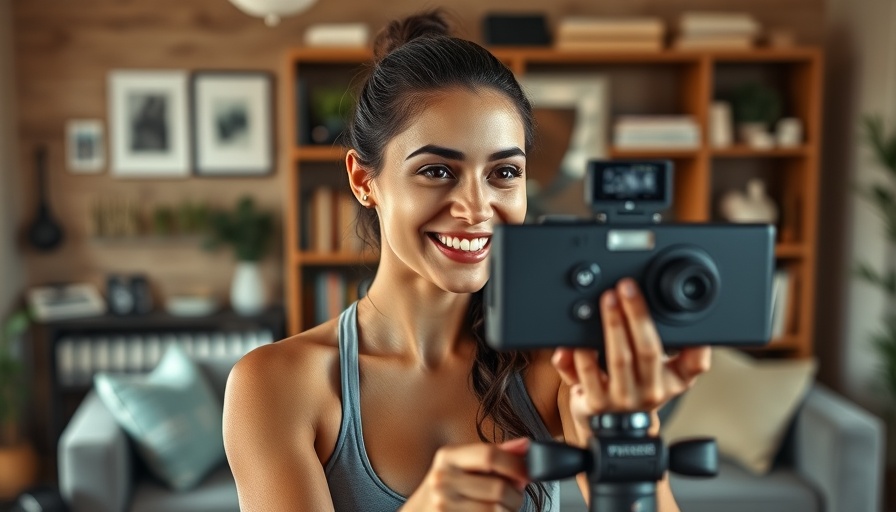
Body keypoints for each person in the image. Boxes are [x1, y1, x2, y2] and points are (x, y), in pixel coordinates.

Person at [223, 10, 711, 512]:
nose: (477, 209)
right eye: (437, 170)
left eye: (504, 173)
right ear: (364, 180)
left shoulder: (557, 365)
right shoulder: (277, 386)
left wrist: (627, 434)